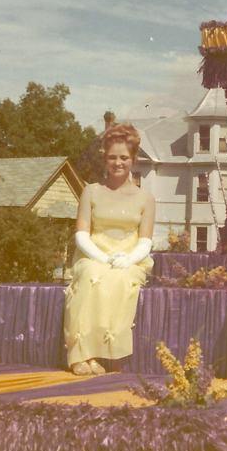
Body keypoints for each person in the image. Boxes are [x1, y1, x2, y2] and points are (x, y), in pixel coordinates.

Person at [63, 123, 155, 376]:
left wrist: (129, 259)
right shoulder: (91, 191)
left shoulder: (145, 198)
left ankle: (103, 353)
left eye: (124, 157)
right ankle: (82, 354)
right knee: (94, 276)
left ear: (133, 160)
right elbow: (81, 234)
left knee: (121, 280)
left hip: (129, 259)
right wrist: (102, 257)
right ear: (104, 160)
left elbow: (146, 241)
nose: (118, 162)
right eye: (112, 157)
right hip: (93, 255)